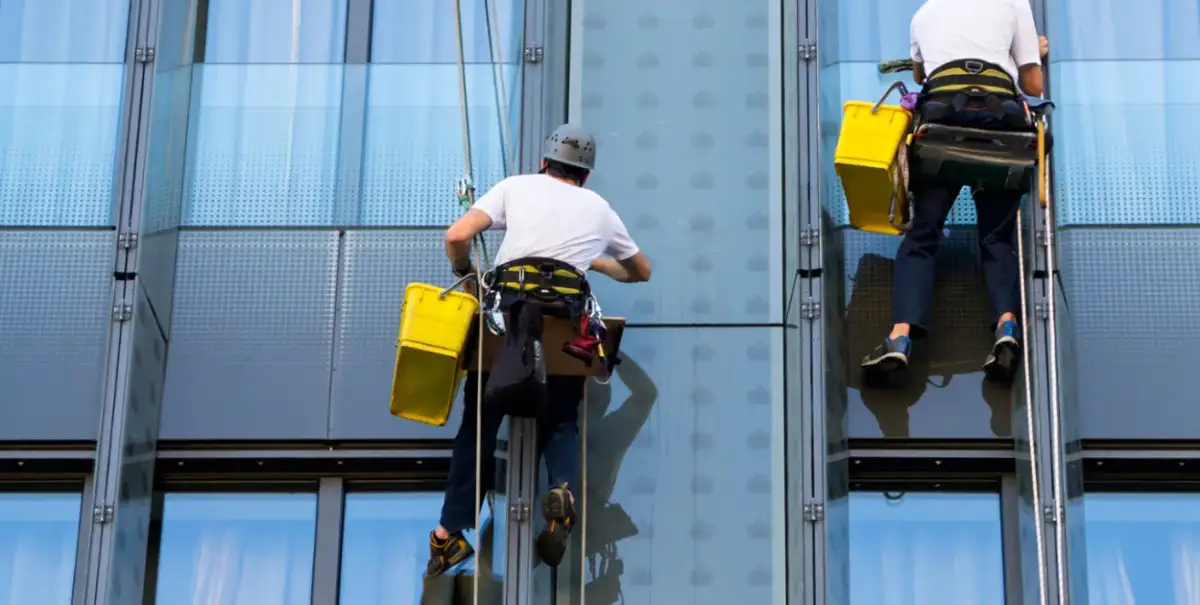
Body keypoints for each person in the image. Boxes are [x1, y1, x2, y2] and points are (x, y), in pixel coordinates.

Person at [427, 123, 652, 577]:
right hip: (565, 326)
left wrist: (465, 269)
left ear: (544, 163)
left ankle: (450, 532)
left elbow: (456, 236)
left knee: (479, 424)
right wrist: (594, 261)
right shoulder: (599, 209)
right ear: (585, 175)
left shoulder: (516, 187)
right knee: (562, 421)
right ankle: (563, 492)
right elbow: (641, 271)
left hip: (509, 321)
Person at [860, 0, 1050, 381]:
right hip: (1000, 133)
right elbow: (1032, 85)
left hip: (941, 133)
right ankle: (1007, 329)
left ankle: (900, 338)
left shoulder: (924, 13)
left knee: (922, 237)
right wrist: (1032, 52)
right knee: (997, 239)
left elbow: (921, 76)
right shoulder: (1014, 3)